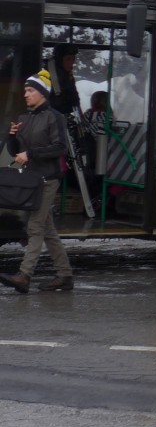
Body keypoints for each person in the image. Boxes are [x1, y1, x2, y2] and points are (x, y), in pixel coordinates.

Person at [0, 70, 73, 293]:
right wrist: (12, 136)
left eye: (30, 90)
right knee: (47, 230)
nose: (26, 95)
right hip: (32, 179)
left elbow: (60, 147)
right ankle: (65, 275)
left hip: (48, 179)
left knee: (35, 226)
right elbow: (16, 151)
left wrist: (30, 155)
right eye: (25, 91)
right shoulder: (25, 118)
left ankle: (24, 275)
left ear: (42, 93)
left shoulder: (55, 117)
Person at [47, 43, 81, 116]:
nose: (72, 62)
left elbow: (73, 96)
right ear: (59, 59)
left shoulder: (67, 74)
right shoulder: (49, 76)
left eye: (73, 58)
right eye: (68, 59)